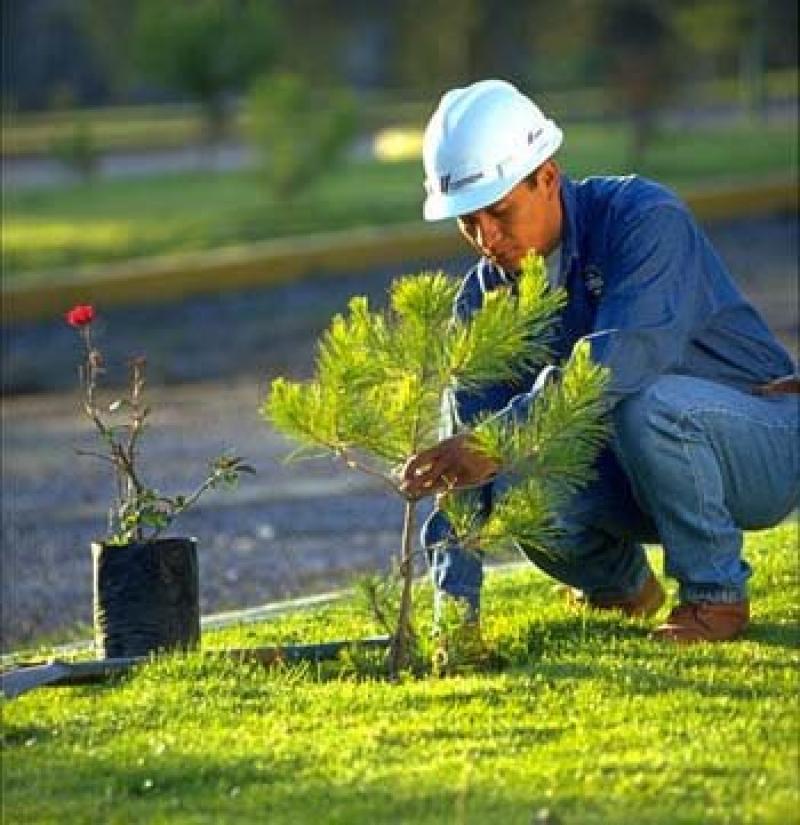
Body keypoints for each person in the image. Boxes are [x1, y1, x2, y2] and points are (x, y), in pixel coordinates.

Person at [401, 79, 799, 644]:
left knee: (643, 402)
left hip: (763, 441)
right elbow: (464, 465)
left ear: (546, 177)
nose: (485, 237)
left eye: (497, 210)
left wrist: (495, 442)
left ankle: (715, 600)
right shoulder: (481, 299)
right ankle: (621, 588)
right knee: (517, 484)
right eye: (467, 220)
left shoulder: (644, 218)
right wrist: (454, 621)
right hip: (641, 469)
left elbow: (618, 362)